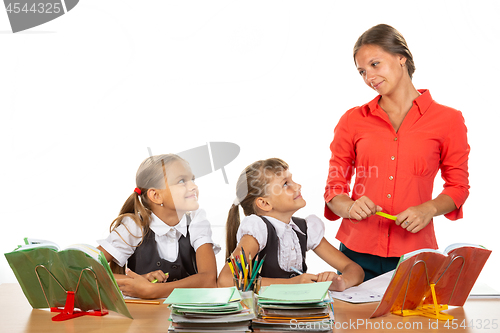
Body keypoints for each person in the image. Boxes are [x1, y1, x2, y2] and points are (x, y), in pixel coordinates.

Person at [324, 24, 470, 281]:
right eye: (362, 71)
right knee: (355, 322)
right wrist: (349, 207)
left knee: (412, 322)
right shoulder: (352, 120)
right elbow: (334, 187)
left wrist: (429, 209)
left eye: (375, 64)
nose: (369, 77)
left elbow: (458, 187)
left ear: (401, 57)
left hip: (415, 254)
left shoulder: (449, 119)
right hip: (355, 255)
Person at [218, 158, 364, 291]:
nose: (298, 186)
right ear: (264, 203)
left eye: (292, 180)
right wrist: (292, 283)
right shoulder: (258, 230)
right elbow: (225, 280)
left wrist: (341, 281)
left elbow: (355, 270)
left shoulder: (304, 229)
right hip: (264, 316)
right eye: (286, 184)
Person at [97, 154, 219, 298]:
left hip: (188, 315)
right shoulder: (135, 226)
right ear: (156, 196)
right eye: (182, 181)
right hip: (144, 317)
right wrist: (137, 281)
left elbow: (209, 279)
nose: (194, 186)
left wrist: (152, 290)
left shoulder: (197, 221)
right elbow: (86, 270)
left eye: (192, 179)